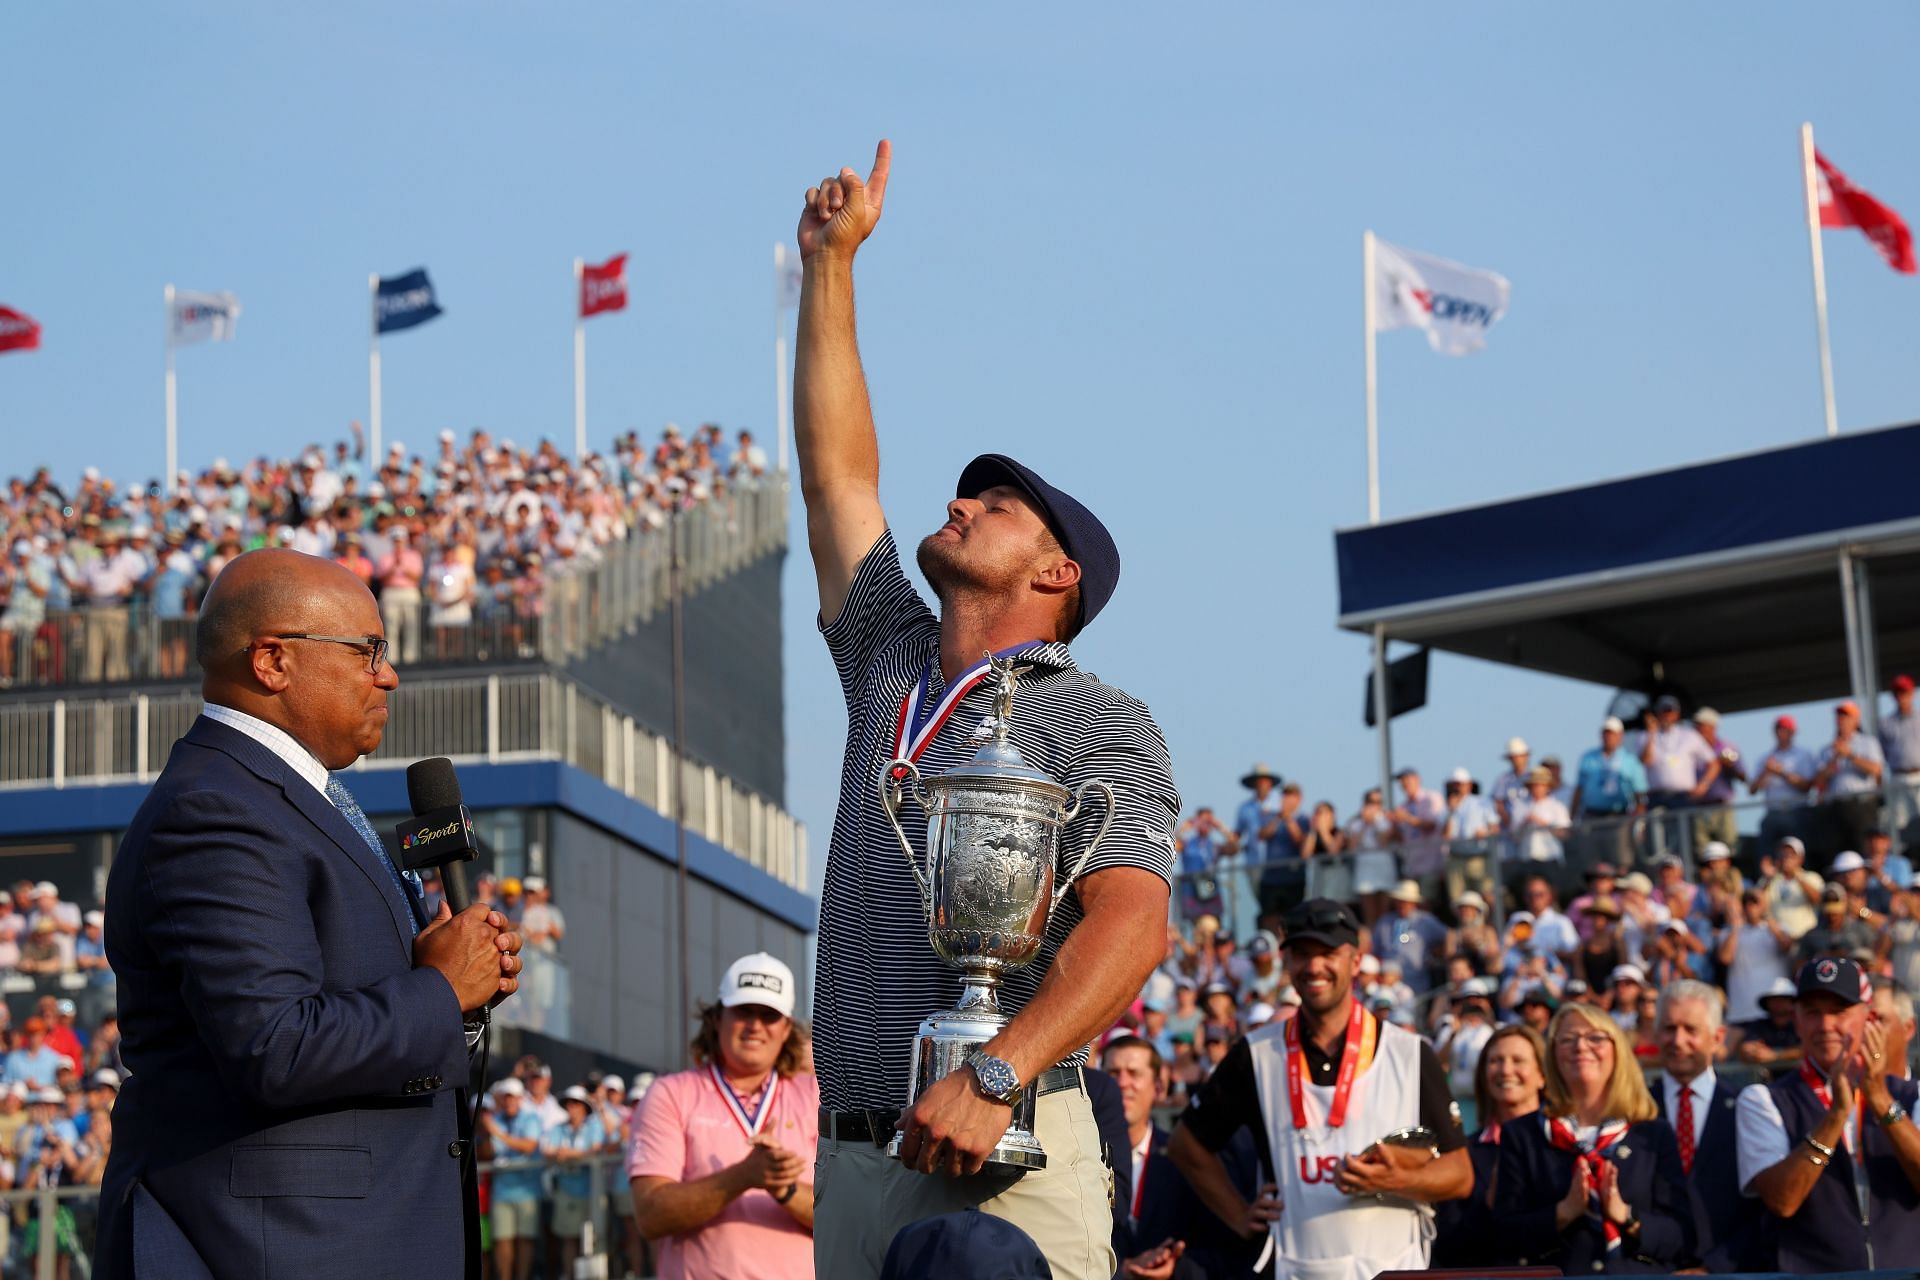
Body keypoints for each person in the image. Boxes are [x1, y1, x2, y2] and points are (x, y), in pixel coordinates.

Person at [793, 143, 1178, 1280]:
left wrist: (996, 1070)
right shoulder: (888, 658)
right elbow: (837, 479)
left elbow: (1132, 923)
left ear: (1057, 577)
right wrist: (829, 265)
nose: (959, 500)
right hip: (856, 1156)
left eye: (997, 502)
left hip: (1003, 1139)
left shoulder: (1099, 717)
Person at [94, 548, 524, 1280]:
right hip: (276, 1246)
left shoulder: (288, 797)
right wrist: (440, 989)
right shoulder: (216, 809)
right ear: (272, 661)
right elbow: (275, 1045)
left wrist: (446, 970)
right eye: (367, 650)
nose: (387, 674)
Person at [1169, 899, 1470, 1279]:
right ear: (1287, 962)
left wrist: (1395, 1181)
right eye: (1301, 954)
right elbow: (1186, 1145)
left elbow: (1460, 1174)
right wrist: (1240, 1215)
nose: (1314, 966)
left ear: (1355, 961)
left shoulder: (1409, 1052)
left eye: (1328, 953)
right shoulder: (1257, 1053)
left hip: (1397, 1265)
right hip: (1296, 1267)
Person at [628, 953, 816, 1280]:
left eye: (768, 1015)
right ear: (717, 1018)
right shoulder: (670, 1093)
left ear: (786, 1029)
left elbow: (848, 1217)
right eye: (744, 1011)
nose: (755, 1025)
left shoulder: (816, 1095)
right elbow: (650, 1214)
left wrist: (782, 1187)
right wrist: (744, 1176)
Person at [1736, 957, 1920, 1271]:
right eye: (1812, 1013)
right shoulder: (1763, 1099)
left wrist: (1878, 1099)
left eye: (1839, 1011)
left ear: (1869, 1018)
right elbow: (1783, 1201)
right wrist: (1835, 1117)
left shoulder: (1912, 1095)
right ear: (1796, 1021)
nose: (1825, 1026)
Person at [1492, 1003, 1694, 1272]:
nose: (1581, 1047)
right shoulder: (1522, 1135)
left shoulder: (1653, 1134)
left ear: (1617, 1051)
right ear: (1553, 1055)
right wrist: (1563, 1212)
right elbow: (1502, 1237)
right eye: (1567, 1039)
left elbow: (1682, 1238)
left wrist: (1626, 1215)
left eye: (1595, 1038)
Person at [1654, 979, 1771, 1272]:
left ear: (1718, 1038)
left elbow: (1763, 1207)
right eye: (1669, 1028)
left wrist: (1714, 1268)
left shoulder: (1747, 1109)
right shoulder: (1635, 1111)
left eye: (1690, 1030)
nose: (1678, 1041)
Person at [1432, 1024, 1548, 1268]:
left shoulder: (1563, 1144)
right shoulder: (1462, 1154)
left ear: (1542, 1075)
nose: (1506, 1070)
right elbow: (1447, 1249)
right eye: (1495, 1061)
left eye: (1518, 1060)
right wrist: (1487, 1205)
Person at [482, 1078, 546, 1280]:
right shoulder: (496, 1119)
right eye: (505, 1097)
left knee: (525, 1241)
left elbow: (528, 1146)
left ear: (519, 1098)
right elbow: (489, 1152)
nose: (508, 1101)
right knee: (502, 1240)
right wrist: (483, 1133)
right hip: (502, 1190)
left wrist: (496, 1133)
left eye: (512, 1097)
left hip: (527, 1190)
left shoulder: (530, 1118)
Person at [543, 1085, 608, 1279]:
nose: (572, 1107)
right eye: (569, 1103)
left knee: (591, 1240)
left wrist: (569, 1155)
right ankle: (570, 1276)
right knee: (569, 1240)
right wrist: (566, 1155)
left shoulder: (594, 1126)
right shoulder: (559, 1128)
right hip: (567, 1191)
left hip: (591, 1193)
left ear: (584, 1107)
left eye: (576, 1103)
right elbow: (548, 1151)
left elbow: (596, 1150)